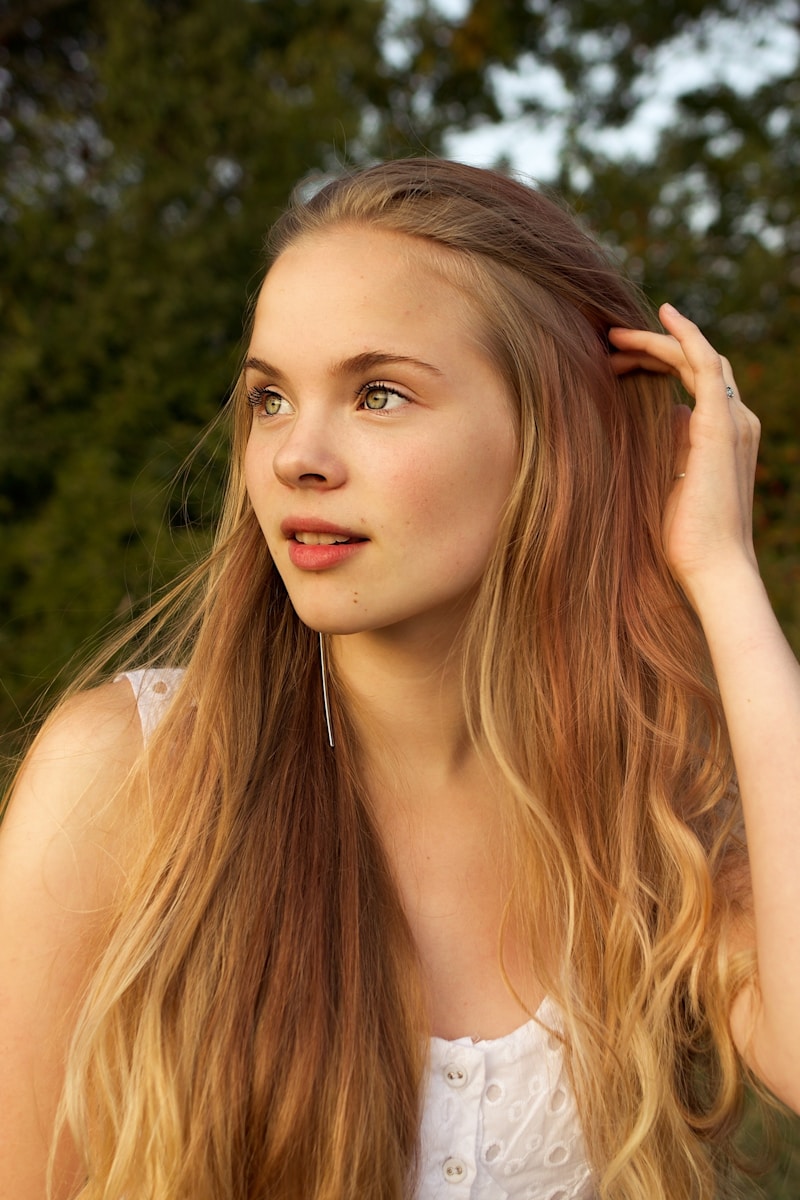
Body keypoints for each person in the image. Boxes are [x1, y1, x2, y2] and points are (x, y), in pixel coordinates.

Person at [1, 157, 798, 1200]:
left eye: (377, 393)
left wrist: (721, 573)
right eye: (270, 398)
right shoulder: (130, 779)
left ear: (556, 439)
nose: (295, 456)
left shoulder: (645, 824)